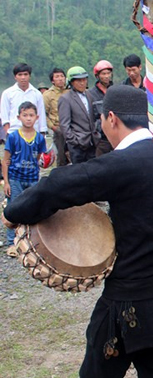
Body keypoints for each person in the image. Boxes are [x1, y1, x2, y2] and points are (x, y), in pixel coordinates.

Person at [2, 85, 153, 377]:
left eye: (102, 119)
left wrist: (14, 212)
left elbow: (59, 184)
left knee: (97, 372)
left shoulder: (122, 163)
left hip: (127, 300)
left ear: (112, 118)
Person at [2, 101, 46, 257]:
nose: (28, 119)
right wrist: (6, 181)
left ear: (37, 117)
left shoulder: (40, 139)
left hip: (33, 178)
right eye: (25, 115)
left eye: (31, 115)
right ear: (18, 117)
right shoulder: (13, 137)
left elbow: (39, 158)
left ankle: (32, 241)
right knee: (14, 207)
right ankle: (11, 242)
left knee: (33, 207)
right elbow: (6, 160)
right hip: (15, 178)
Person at [59, 66, 100, 164]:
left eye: (84, 80)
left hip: (92, 142)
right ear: (71, 82)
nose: (82, 83)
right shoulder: (65, 99)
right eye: (78, 81)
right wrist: (74, 141)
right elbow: (64, 124)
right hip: (78, 144)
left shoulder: (89, 95)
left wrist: (96, 132)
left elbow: (95, 116)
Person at [1, 63, 48, 138]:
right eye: (20, 75)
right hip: (14, 132)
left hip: (33, 132)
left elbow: (41, 114)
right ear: (15, 77)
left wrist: (42, 133)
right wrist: (7, 131)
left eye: (25, 74)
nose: (23, 77)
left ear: (29, 76)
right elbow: (4, 116)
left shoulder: (37, 94)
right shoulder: (7, 93)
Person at [43, 68, 68, 166]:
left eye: (62, 76)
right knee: (61, 156)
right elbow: (43, 114)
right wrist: (53, 127)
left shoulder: (70, 91)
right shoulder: (48, 95)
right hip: (58, 128)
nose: (60, 79)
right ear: (52, 80)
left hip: (72, 127)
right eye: (57, 77)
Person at [88, 60, 114, 157]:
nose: (107, 76)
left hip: (115, 133)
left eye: (108, 73)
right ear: (97, 76)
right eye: (103, 74)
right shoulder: (91, 94)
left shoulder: (115, 90)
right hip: (101, 137)